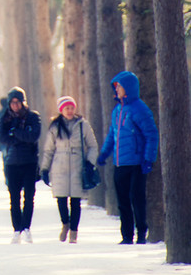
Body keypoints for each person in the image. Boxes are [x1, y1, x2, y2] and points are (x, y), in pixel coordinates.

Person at [97, 70, 159, 245]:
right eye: (116, 87)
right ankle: (126, 235)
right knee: (122, 200)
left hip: (137, 163)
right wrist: (104, 153)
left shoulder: (140, 109)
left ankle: (141, 233)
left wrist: (148, 159)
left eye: (120, 87)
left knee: (136, 198)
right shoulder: (117, 110)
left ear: (129, 88)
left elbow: (151, 134)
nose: (117, 90)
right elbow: (112, 135)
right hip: (120, 163)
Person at [40, 95, 99, 243]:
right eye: (67, 108)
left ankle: (74, 231)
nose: (70, 110)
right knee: (61, 200)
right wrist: (44, 169)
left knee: (75, 201)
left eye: (72, 107)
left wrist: (90, 162)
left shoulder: (82, 125)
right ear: (61, 110)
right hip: (59, 167)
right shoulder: (55, 126)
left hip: (78, 166)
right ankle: (65, 223)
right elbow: (48, 150)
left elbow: (92, 145)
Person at [0, 86, 41, 243]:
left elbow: (33, 136)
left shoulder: (33, 117)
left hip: (29, 162)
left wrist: (15, 133)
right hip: (11, 163)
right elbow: (2, 138)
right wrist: (21, 136)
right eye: (12, 103)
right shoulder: (4, 118)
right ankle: (17, 229)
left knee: (29, 197)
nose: (15, 105)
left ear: (23, 102)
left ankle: (26, 227)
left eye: (18, 102)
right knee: (14, 198)